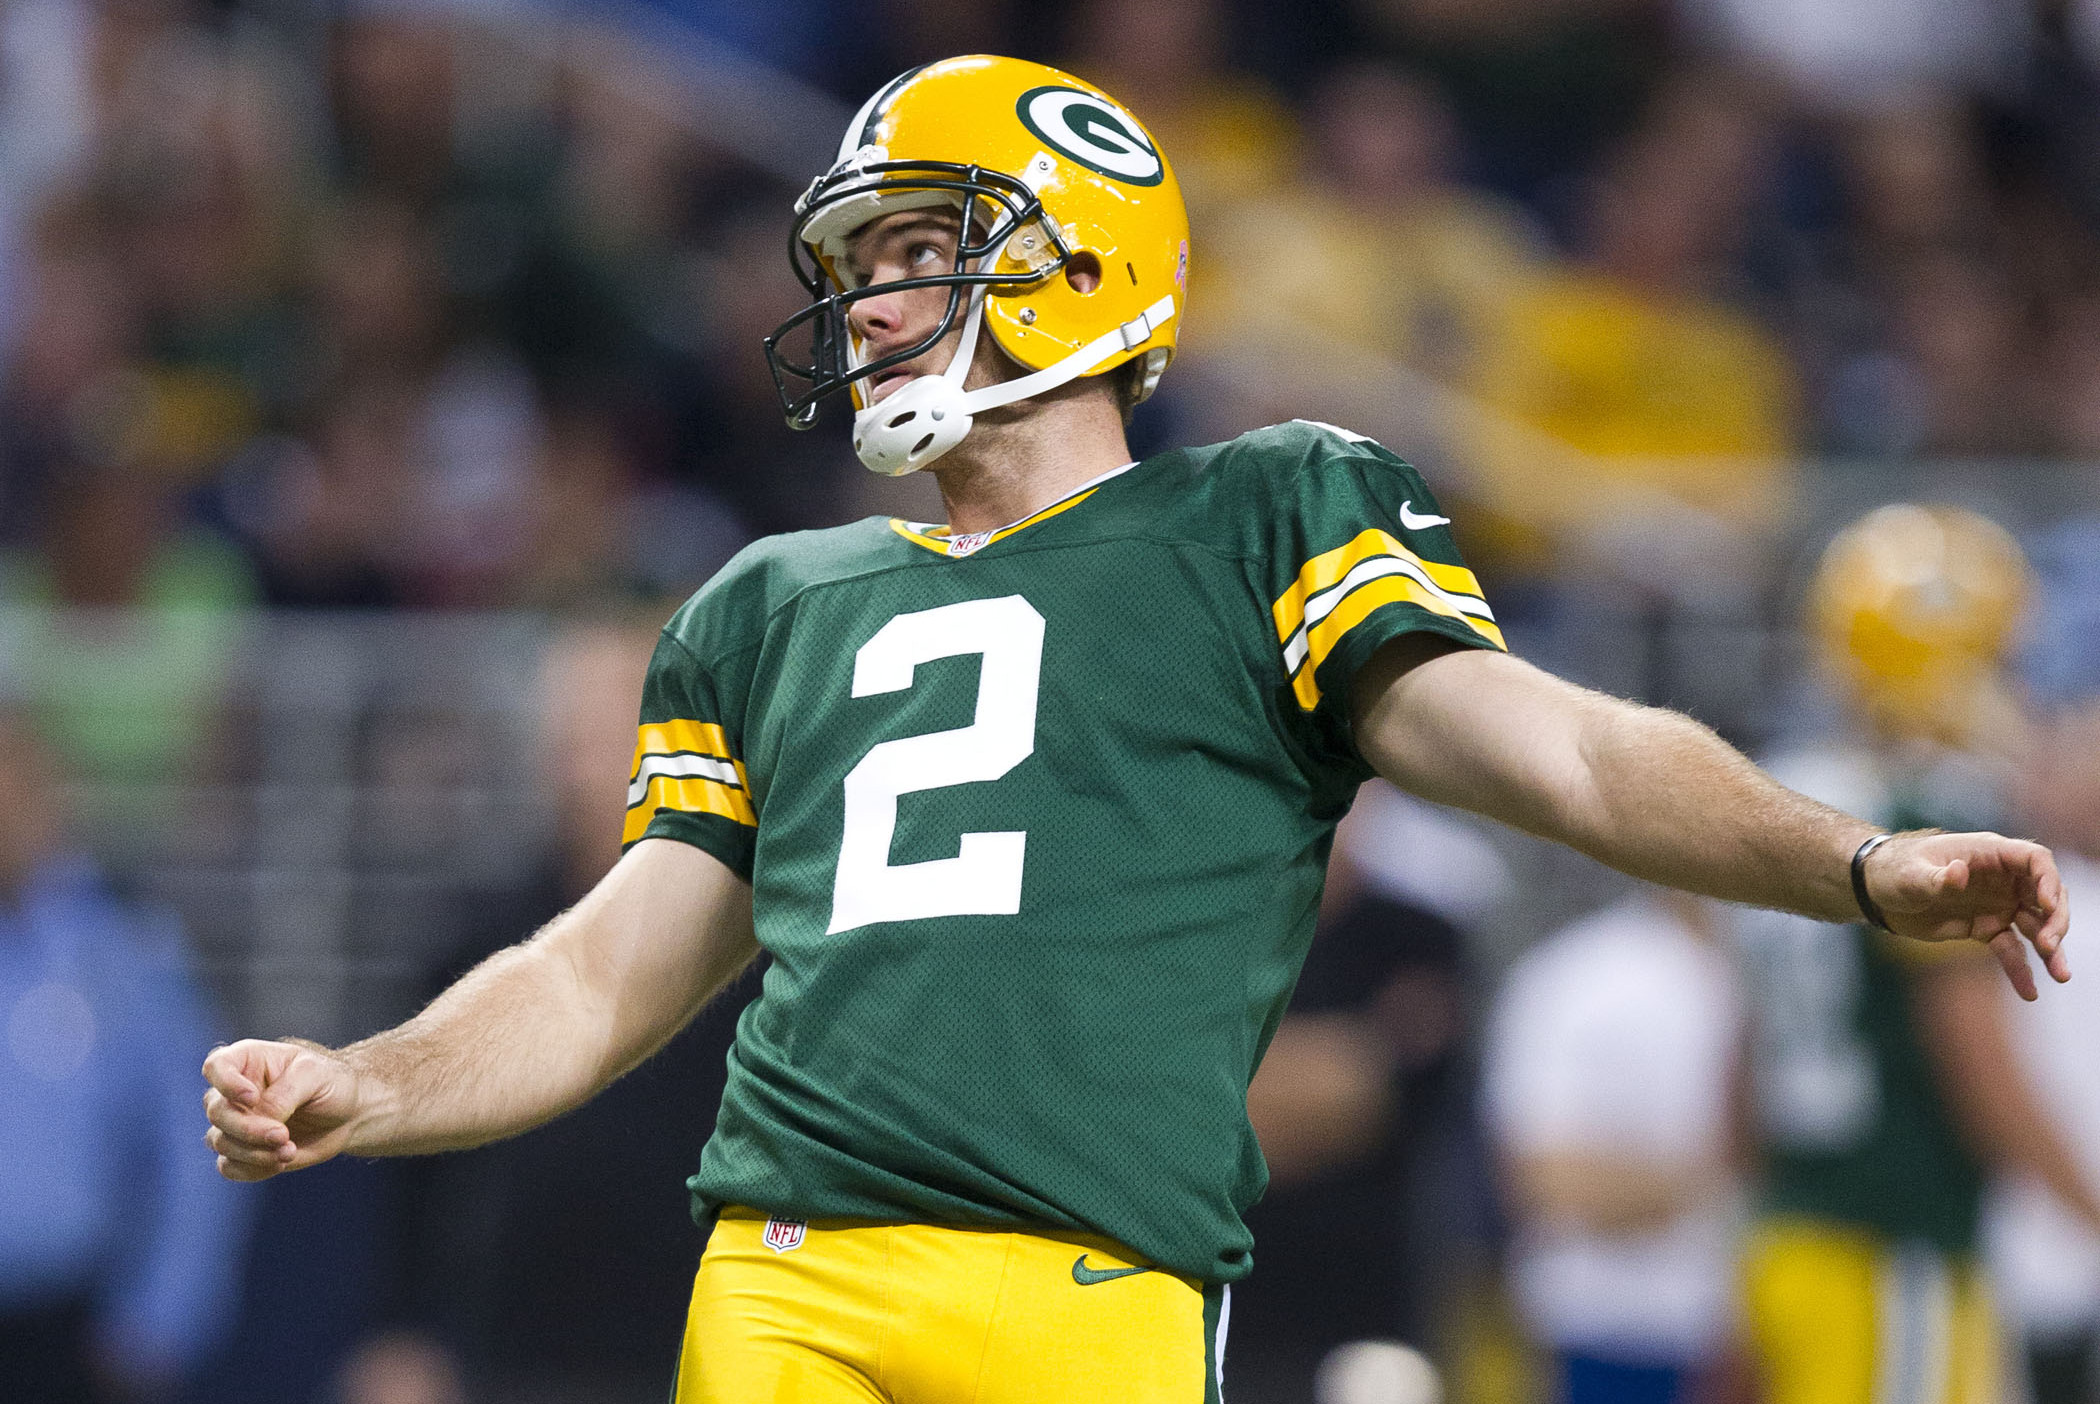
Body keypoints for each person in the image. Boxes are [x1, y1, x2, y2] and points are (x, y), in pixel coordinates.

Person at [198, 58, 2069, 1404]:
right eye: (853, 266)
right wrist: (381, 1077)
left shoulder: (1261, 513)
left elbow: (1562, 751)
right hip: (789, 1276)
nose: (866, 302)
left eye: (916, 246)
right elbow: (615, 961)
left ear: (1073, 253)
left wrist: (1853, 856)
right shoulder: (766, 598)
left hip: (1098, 1290)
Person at [1735, 505, 2100, 1404]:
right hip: (1896, 1240)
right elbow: (1974, 1060)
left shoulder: (1794, 803)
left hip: (1793, 1233)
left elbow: (1740, 1065)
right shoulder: (1925, 826)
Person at [0, 711, 252, 1401]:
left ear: (48, 793)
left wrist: (158, 1325)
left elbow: (195, 1138)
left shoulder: (124, 952)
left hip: (68, 1326)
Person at [1484, 888, 1744, 1404]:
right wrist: (1699, 1185)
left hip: (1740, 1324)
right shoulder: (1581, 977)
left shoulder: (1741, 971)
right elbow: (1542, 1178)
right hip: (1605, 1323)